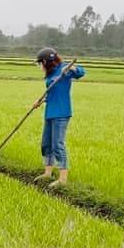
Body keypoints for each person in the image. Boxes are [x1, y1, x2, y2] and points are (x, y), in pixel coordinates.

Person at [33, 47, 86, 189]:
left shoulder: (64, 69)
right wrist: (40, 101)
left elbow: (82, 73)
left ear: (46, 61)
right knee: (46, 143)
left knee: (58, 144)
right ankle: (48, 172)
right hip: (50, 112)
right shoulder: (50, 74)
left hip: (62, 113)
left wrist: (73, 69)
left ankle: (63, 178)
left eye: (40, 63)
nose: (40, 66)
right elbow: (51, 93)